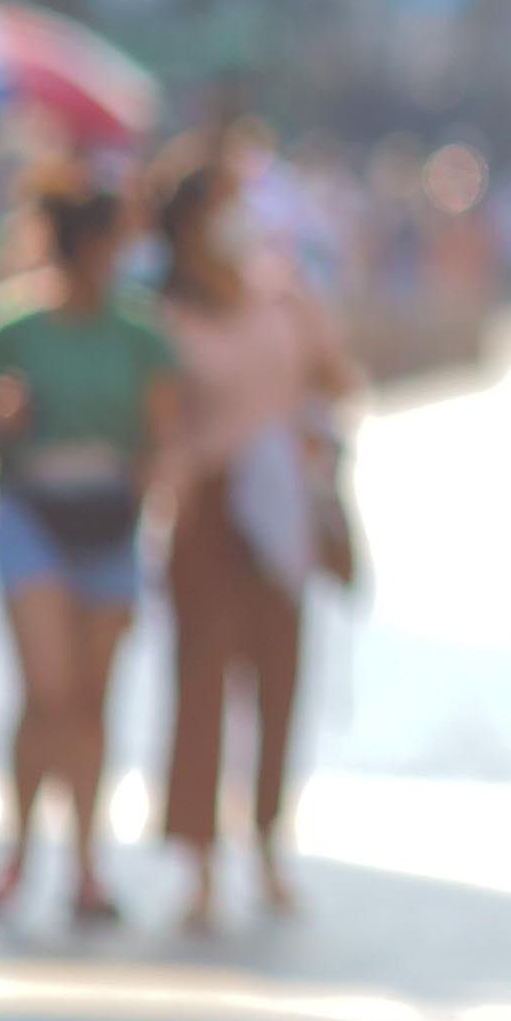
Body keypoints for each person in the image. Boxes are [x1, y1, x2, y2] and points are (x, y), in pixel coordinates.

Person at [152, 149, 359, 932]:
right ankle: (199, 861)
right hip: (206, 513)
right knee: (202, 687)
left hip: (282, 511)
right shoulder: (168, 316)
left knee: (277, 683)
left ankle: (268, 842)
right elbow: (162, 419)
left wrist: (307, 435)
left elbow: (338, 376)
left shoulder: (283, 295)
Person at [0, 178, 179, 927]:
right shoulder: (11, 325)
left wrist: (151, 486)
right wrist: (2, 416)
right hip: (33, 512)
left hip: (109, 521)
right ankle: (19, 853)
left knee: (91, 699)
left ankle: (86, 865)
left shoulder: (139, 332)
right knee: (47, 691)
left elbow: (160, 431)